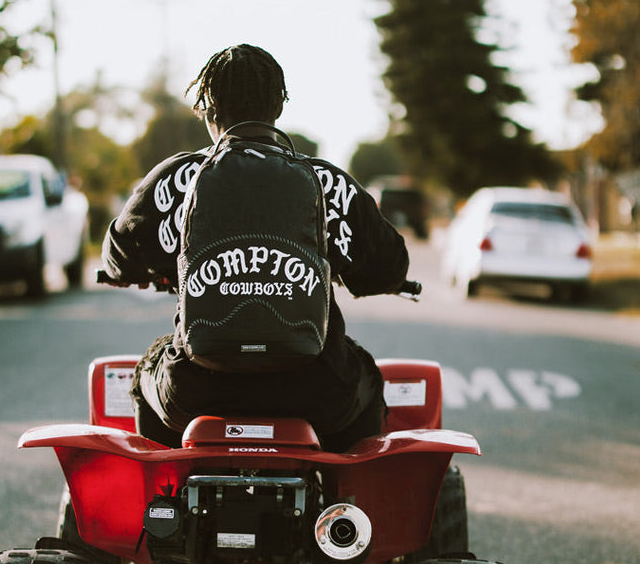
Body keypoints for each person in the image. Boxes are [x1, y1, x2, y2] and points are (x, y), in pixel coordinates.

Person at [101, 44, 410, 450]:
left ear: (209, 110)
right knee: (364, 373)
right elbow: (389, 266)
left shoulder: (176, 179)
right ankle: (348, 505)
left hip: (197, 392)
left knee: (146, 372)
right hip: (317, 393)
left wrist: (139, 271)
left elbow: (118, 255)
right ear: (277, 107)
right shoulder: (326, 182)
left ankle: (161, 498)